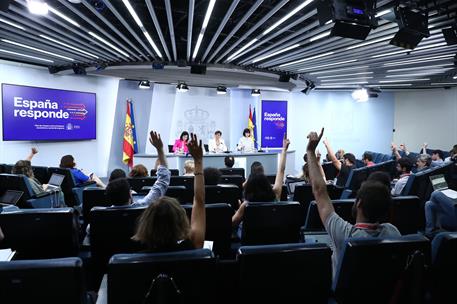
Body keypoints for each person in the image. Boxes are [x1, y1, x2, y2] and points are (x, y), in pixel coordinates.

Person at [306, 128, 400, 277]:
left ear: (359, 204)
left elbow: (319, 191)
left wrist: (310, 151)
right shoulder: (393, 232)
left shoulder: (344, 234)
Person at [133, 133, 206, 251]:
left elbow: (199, 201)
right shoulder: (194, 245)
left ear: (146, 222)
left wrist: (159, 149)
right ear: (182, 221)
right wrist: (198, 161)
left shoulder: (135, 254)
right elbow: (199, 201)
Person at [232, 134, 289, 227]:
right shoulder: (276, 196)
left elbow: (232, 223)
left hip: (251, 240)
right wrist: (284, 150)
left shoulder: (246, 205)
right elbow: (281, 170)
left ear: (250, 186)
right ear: (266, 184)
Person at [134, 131, 171, 206]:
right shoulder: (142, 204)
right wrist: (159, 149)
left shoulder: (103, 216)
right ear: (129, 195)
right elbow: (163, 181)